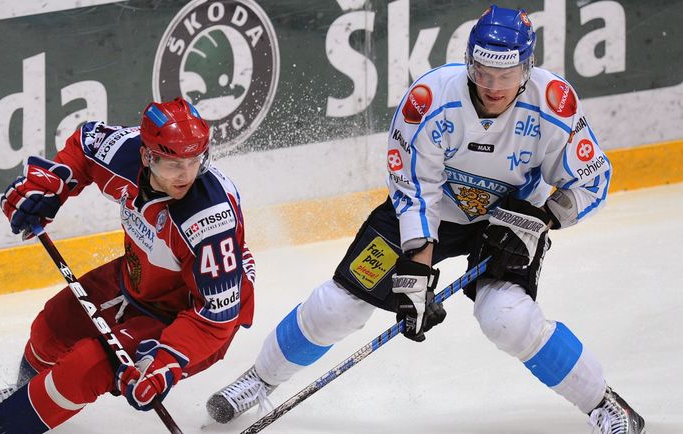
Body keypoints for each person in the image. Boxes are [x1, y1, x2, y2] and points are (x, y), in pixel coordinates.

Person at [205, 5, 645, 433]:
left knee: (507, 317)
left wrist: (539, 220)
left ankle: (605, 405)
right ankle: (258, 381)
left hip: (507, 222)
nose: (492, 87)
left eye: (505, 76)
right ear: (469, 62)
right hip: (429, 213)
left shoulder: (554, 104)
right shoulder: (430, 100)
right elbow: (415, 189)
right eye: (483, 73)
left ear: (527, 69)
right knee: (340, 305)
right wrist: (416, 266)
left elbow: (592, 181)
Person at [0, 98, 256, 433]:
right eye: (174, 164)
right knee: (53, 326)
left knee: (85, 367)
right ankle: (23, 396)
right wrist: (50, 187)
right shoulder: (125, 153)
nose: (187, 174)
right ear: (147, 156)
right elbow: (85, 145)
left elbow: (215, 318)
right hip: (138, 277)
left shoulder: (208, 220)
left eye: (195, 160)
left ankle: (2, 428)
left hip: (190, 316)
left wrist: (164, 363)